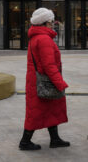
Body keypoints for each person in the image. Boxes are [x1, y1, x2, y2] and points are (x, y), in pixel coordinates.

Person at [19, 8, 70, 151]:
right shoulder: (44, 39)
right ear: (44, 23)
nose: (53, 24)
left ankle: (55, 139)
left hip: (37, 80)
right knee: (35, 112)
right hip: (43, 81)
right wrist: (60, 83)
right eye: (51, 21)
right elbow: (49, 65)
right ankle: (25, 141)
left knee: (50, 108)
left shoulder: (37, 37)